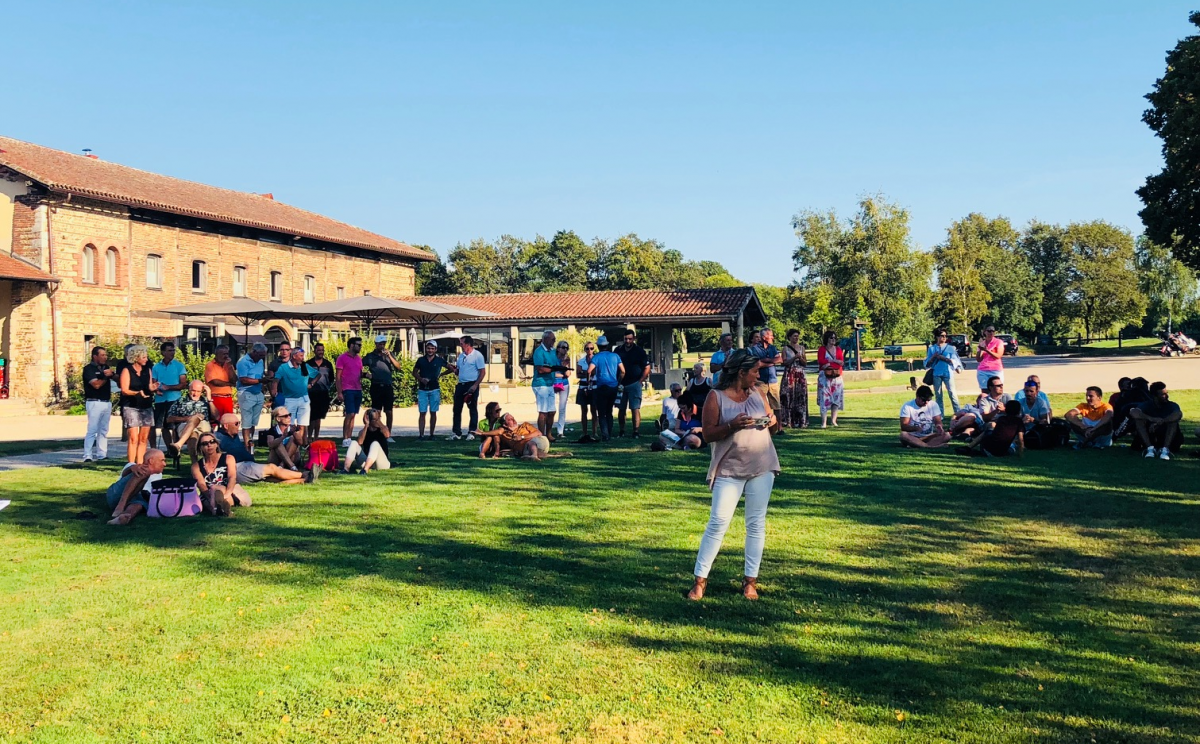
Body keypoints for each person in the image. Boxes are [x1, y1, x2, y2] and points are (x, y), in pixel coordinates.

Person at [687, 349, 780, 602]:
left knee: (756, 524)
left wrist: (770, 421)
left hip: (762, 466)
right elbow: (708, 435)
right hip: (729, 470)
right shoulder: (715, 397)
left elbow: (772, 426)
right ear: (741, 372)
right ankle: (699, 581)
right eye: (754, 371)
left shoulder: (758, 393)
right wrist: (732, 425)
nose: (757, 375)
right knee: (717, 523)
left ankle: (750, 581)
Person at [215, 414, 310, 484]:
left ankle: (302, 480)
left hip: (247, 465)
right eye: (236, 424)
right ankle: (304, 474)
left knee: (271, 477)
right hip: (239, 467)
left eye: (239, 423)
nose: (238, 426)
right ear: (226, 426)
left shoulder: (233, 435)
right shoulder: (217, 438)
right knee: (271, 468)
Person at [192, 433, 252, 517]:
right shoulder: (196, 466)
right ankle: (221, 508)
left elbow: (232, 477)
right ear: (200, 447)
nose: (209, 445)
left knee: (216, 488)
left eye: (212, 442)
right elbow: (202, 485)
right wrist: (211, 497)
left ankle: (216, 509)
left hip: (229, 491)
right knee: (213, 490)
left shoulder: (228, 458)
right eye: (205, 443)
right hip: (208, 494)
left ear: (216, 444)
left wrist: (226, 494)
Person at [119, 344, 159, 465]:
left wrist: (154, 387)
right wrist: (137, 393)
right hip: (131, 406)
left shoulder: (148, 370)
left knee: (143, 438)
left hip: (146, 405)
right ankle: (131, 465)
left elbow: (149, 386)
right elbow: (124, 390)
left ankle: (140, 464)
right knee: (133, 438)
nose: (146, 359)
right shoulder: (127, 370)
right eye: (144, 357)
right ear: (136, 357)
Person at [105, 448, 166, 525]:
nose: (164, 464)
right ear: (151, 461)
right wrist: (131, 468)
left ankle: (125, 517)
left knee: (139, 505)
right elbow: (123, 475)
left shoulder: (159, 474)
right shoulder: (137, 467)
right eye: (162, 460)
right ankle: (120, 506)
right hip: (117, 493)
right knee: (144, 472)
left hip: (137, 497)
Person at [275, 346, 318, 448]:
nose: (303, 358)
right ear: (294, 356)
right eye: (301, 356)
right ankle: (289, 444)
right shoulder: (284, 368)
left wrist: (311, 384)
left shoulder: (305, 366)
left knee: (302, 424)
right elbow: (276, 379)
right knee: (289, 423)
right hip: (290, 399)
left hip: (304, 398)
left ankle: (302, 445)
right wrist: (274, 390)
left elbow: (317, 375)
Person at [1127, 381, 1183, 460]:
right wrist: (1151, 418)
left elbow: (1178, 414)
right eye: (1163, 394)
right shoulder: (1147, 405)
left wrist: (1161, 422)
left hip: (1166, 434)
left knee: (1173, 423)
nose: (1167, 396)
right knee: (1139, 421)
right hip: (1151, 434)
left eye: (1166, 393)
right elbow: (1133, 412)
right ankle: (1150, 448)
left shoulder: (1172, 405)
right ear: (1154, 396)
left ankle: (1165, 449)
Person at [477, 413, 567, 461]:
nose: (513, 420)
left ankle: (534, 456)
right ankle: (553, 455)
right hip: (526, 448)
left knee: (530, 442)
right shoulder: (505, 433)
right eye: (510, 419)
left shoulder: (524, 425)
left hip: (540, 441)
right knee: (526, 452)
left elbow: (538, 433)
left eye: (513, 418)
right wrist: (482, 433)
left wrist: (522, 437)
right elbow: (498, 433)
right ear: (505, 424)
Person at [362, 335, 402, 440]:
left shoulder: (389, 355)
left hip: (387, 386)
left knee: (389, 411)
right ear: (376, 344)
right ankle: (378, 433)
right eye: (380, 344)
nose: (382, 345)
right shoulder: (370, 356)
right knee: (376, 412)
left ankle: (388, 433)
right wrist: (365, 375)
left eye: (384, 343)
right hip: (376, 386)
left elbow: (398, 367)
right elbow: (358, 366)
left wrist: (390, 356)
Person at [447, 335, 487, 441]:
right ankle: (456, 432)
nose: (460, 345)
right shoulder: (461, 356)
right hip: (461, 384)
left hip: (472, 383)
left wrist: (475, 385)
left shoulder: (477, 356)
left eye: (461, 343)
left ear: (467, 344)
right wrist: (454, 370)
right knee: (457, 409)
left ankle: (472, 431)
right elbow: (459, 370)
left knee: (472, 408)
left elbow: (482, 372)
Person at [150, 341, 188, 449]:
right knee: (164, 426)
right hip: (160, 400)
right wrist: (156, 389)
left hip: (174, 399)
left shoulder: (179, 366)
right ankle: (169, 448)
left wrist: (169, 387)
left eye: (173, 350)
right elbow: (153, 382)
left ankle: (177, 447)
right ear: (163, 352)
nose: (172, 353)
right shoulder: (156, 367)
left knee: (175, 425)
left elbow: (183, 384)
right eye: (169, 350)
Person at [164, 380, 216, 458]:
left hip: (203, 426)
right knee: (193, 433)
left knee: (196, 420)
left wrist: (209, 399)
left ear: (202, 391)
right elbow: (169, 419)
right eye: (193, 391)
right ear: (189, 389)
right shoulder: (180, 401)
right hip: (184, 425)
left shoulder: (206, 401)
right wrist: (187, 418)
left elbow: (216, 416)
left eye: (198, 391)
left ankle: (179, 445)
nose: (195, 394)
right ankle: (195, 464)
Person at [588, 336, 625, 442]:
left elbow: (589, 370)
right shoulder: (615, 356)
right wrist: (618, 382)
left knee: (601, 412)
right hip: (613, 386)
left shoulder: (596, 357)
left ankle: (605, 434)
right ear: (607, 345)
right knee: (609, 411)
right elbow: (623, 371)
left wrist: (590, 381)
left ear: (598, 346)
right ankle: (609, 431)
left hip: (601, 387)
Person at [82, 345, 115, 462]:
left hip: (106, 401)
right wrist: (106, 377)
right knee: (92, 429)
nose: (105, 357)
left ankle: (102, 454)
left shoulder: (105, 367)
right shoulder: (89, 369)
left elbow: (116, 379)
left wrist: (112, 374)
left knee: (104, 430)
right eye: (102, 355)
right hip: (94, 401)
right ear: (95, 356)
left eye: (105, 355)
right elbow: (96, 385)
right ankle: (87, 455)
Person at [615, 329, 650, 437]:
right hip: (621, 384)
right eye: (626, 339)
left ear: (634, 339)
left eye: (630, 339)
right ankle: (622, 431)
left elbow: (647, 367)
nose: (628, 341)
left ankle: (636, 431)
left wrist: (640, 381)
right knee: (621, 409)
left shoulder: (639, 351)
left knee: (635, 408)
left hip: (634, 383)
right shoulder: (618, 350)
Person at [960, 400, 1025, 457]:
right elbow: (1020, 439)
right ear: (1018, 411)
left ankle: (969, 447)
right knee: (1011, 449)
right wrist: (1021, 455)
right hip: (1001, 452)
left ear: (1006, 409)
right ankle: (970, 448)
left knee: (987, 430)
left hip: (987, 447)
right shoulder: (1019, 422)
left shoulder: (1001, 419)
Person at [235, 342, 269, 451]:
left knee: (254, 422)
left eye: (263, 355)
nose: (262, 357)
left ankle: (251, 444)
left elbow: (261, 375)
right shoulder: (243, 362)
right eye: (260, 355)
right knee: (246, 422)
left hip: (258, 393)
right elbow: (243, 380)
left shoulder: (260, 361)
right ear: (254, 352)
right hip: (246, 393)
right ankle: (246, 447)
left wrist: (264, 382)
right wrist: (260, 380)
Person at [413, 340, 449, 440]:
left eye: (432, 348)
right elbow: (414, 372)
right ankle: (421, 435)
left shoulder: (439, 360)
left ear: (435, 349)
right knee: (422, 412)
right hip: (422, 389)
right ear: (426, 349)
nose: (430, 350)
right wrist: (421, 379)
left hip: (434, 389)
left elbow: (451, 368)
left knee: (433, 412)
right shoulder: (421, 360)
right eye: (428, 348)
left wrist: (441, 374)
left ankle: (432, 434)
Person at [923, 328, 963, 414]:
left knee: (952, 393)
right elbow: (927, 363)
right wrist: (933, 357)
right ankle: (940, 414)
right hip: (936, 373)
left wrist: (944, 358)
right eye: (942, 336)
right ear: (937, 336)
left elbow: (955, 360)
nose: (944, 338)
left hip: (947, 373)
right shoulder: (932, 348)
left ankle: (958, 412)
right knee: (938, 395)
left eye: (945, 336)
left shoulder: (950, 348)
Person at [335, 336, 365, 447]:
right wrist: (339, 392)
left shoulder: (358, 358)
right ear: (352, 345)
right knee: (349, 413)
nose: (360, 347)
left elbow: (359, 373)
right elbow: (338, 376)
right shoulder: (342, 358)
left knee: (354, 414)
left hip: (358, 389)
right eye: (359, 345)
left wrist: (367, 375)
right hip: (348, 389)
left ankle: (349, 437)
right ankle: (345, 438)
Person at [343, 408, 392, 474]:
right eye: (373, 419)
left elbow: (387, 435)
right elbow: (360, 442)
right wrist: (366, 425)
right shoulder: (363, 432)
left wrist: (378, 420)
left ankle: (365, 470)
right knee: (354, 443)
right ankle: (346, 469)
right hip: (367, 461)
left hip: (382, 464)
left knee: (375, 444)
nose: (375, 421)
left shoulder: (382, 429)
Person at [531, 330, 560, 438]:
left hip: (550, 384)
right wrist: (552, 369)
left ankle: (548, 434)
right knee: (543, 411)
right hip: (540, 384)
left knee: (552, 411)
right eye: (553, 339)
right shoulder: (539, 352)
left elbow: (557, 364)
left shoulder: (553, 351)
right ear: (546, 339)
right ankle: (541, 435)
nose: (554, 341)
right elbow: (540, 369)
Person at [750, 327, 783, 419]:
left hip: (773, 380)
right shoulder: (755, 349)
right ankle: (763, 424)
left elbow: (780, 359)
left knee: (777, 405)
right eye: (771, 336)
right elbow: (758, 364)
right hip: (761, 381)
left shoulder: (772, 348)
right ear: (764, 337)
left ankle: (779, 427)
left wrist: (767, 360)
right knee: (760, 404)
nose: (773, 338)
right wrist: (772, 362)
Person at [779, 329, 808, 429]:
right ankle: (787, 420)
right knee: (788, 396)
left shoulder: (802, 348)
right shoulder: (785, 348)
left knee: (800, 397)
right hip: (790, 374)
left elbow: (805, 363)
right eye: (794, 336)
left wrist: (800, 358)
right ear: (790, 337)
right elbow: (784, 363)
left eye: (797, 336)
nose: (796, 338)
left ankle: (801, 420)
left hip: (800, 374)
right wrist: (794, 357)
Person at [306, 342, 335, 441]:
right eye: (318, 350)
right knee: (311, 416)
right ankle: (309, 437)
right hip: (311, 393)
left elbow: (331, 378)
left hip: (323, 393)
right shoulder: (308, 364)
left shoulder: (328, 364)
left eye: (322, 350)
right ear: (314, 351)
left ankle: (316, 437)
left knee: (319, 416)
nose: (320, 352)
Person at [816, 331, 844, 428]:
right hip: (825, 377)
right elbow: (821, 362)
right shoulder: (822, 349)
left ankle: (833, 420)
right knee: (824, 398)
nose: (833, 340)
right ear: (827, 339)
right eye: (831, 338)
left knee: (836, 399)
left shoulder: (838, 349)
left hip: (836, 377)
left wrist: (831, 362)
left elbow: (841, 362)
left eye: (835, 338)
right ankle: (824, 422)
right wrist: (832, 363)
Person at [204, 345, 237, 419]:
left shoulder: (228, 365)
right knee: (216, 420)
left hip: (228, 398)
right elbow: (215, 382)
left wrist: (229, 366)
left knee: (228, 421)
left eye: (227, 354)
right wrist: (229, 384)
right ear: (217, 354)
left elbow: (234, 380)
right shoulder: (210, 365)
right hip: (216, 397)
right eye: (223, 354)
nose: (226, 356)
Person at [575, 341, 598, 442]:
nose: (589, 350)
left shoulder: (597, 360)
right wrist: (588, 373)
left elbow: (595, 372)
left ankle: (594, 432)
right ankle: (584, 432)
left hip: (594, 386)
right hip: (583, 386)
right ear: (585, 350)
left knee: (594, 410)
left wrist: (585, 372)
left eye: (591, 348)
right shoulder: (581, 361)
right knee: (584, 410)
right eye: (587, 348)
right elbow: (578, 374)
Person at [975, 325, 1005, 391]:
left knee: (997, 390)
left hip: (995, 370)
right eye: (989, 331)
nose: (991, 333)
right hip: (983, 370)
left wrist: (987, 350)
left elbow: (998, 355)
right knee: (985, 391)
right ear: (984, 332)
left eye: (993, 331)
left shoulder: (998, 342)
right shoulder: (982, 343)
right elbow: (978, 359)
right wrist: (981, 350)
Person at [553, 340, 572, 438]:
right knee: (551, 407)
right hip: (553, 383)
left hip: (564, 384)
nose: (565, 350)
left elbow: (568, 374)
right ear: (558, 348)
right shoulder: (553, 357)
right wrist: (560, 374)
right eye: (563, 347)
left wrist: (565, 366)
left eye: (566, 348)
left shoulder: (566, 359)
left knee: (562, 408)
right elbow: (551, 373)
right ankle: (547, 429)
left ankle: (560, 431)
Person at [266, 341, 292, 409]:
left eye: (286, 349)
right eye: (282, 349)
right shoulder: (274, 364)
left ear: (290, 350)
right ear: (279, 350)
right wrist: (272, 393)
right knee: (278, 416)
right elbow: (269, 379)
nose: (284, 351)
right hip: (280, 394)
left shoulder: (295, 363)